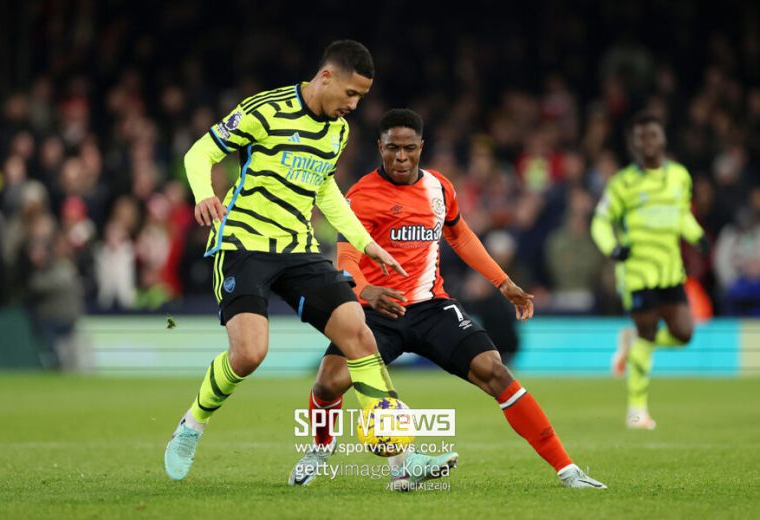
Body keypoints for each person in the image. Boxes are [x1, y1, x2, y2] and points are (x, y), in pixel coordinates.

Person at [289, 109, 607, 490]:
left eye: (409, 148)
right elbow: (347, 260)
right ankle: (320, 449)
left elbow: (462, 237)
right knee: (327, 383)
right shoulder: (361, 196)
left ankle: (568, 470)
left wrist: (503, 282)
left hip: (431, 308)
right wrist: (366, 290)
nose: (401, 157)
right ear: (380, 147)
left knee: (495, 371)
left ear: (421, 147)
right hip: (377, 312)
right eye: (392, 148)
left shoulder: (439, 188)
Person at [165, 41, 415, 481]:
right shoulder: (265, 110)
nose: (354, 105)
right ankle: (192, 424)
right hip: (243, 243)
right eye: (351, 94)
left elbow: (325, 190)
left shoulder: (338, 132)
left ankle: (404, 463)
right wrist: (204, 194)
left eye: (361, 97)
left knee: (358, 332)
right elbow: (199, 153)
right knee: (249, 354)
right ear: (326, 77)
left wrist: (365, 242)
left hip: (298, 249)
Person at [591, 111, 708, 430]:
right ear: (633, 144)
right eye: (641, 137)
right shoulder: (622, 183)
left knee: (684, 334)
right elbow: (600, 222)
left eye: (652, 135)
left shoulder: (679, 176)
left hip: (670, 270)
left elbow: (681, 214)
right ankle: (636, 413)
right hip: (637, 272)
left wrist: (697, 235)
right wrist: (613, 248)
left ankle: (631, 343)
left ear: (663, 139)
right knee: (648, 331)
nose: (648, 142)